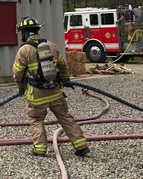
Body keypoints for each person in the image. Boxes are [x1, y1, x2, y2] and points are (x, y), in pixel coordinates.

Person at [12, 16, 89, 157]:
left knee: (36, 120)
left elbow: (17, 73)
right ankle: (81, 145)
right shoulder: (51, 46)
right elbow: (63, 65)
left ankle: (40, 149)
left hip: (36, 95)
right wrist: (65, 79)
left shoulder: (24, 50)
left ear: (24, 33)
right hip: (55, 91)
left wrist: (20, 86)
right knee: (65, 116)